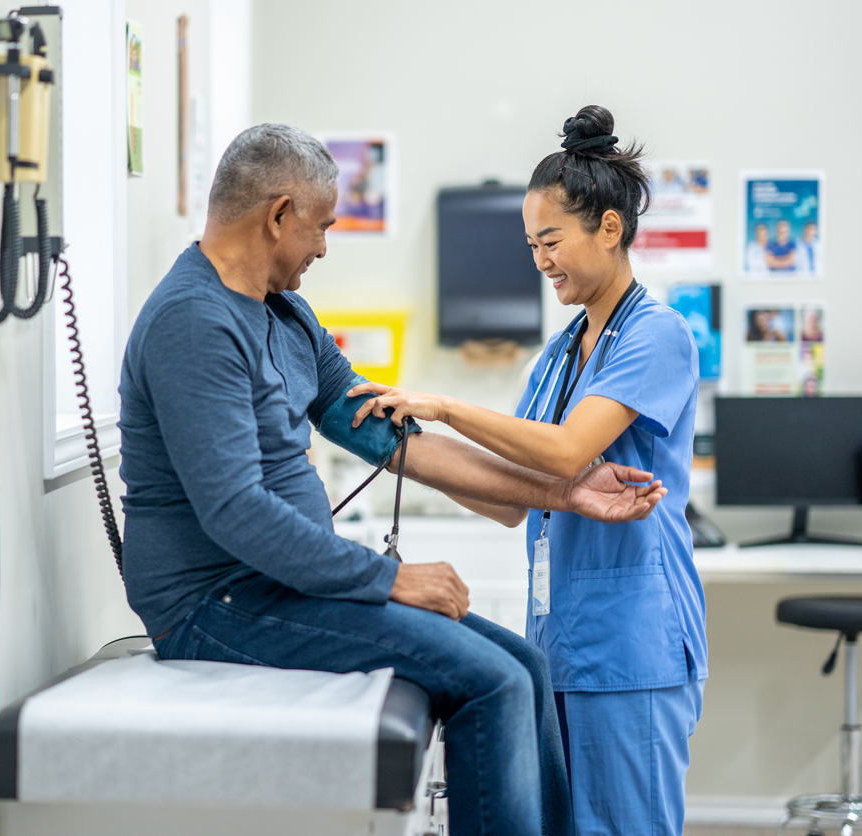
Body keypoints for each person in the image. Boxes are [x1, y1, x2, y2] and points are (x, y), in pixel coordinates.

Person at [118, 123, 669, 836]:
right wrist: (390, 579)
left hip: (281, 586)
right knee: (492, 683)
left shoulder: (284, 314)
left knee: (525, 665)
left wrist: (564, 492)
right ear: (277, 215)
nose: (321, 248)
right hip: (213, 604)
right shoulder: (193, 322)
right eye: (319, 228)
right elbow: (235, 512)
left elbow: (395, 439)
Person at [348, 106, 706, 835]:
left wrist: (445, 406)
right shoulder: (562, 350)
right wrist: (400, 448)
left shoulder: (657, 335)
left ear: (610, 228)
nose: (540, 260)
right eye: (532, 244)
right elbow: (515, 500)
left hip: (630, 639)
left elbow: (569, 454)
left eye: (552, 240)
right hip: (562, 636)